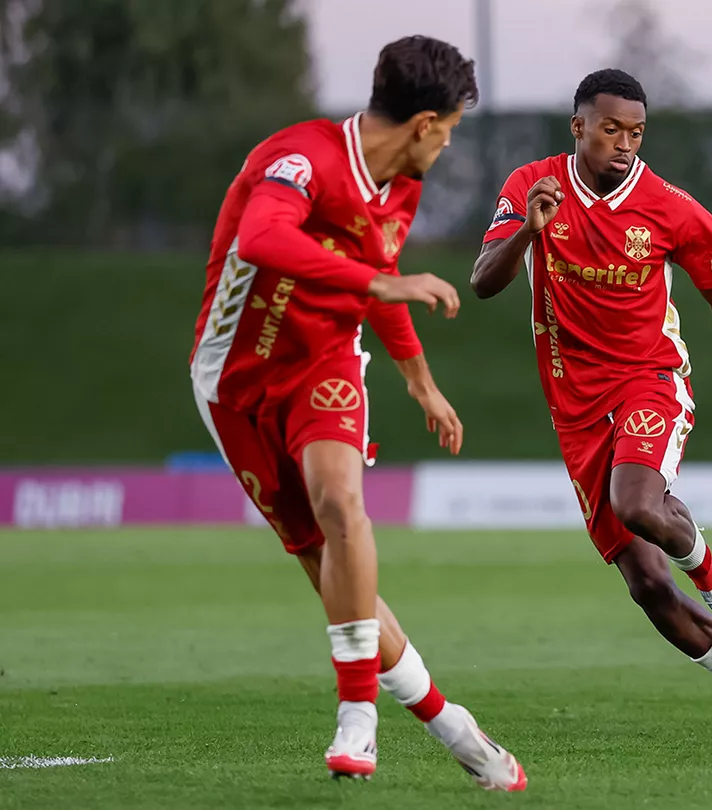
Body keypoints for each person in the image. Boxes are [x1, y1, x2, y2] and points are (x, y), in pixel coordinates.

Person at [188, 36, 525, 788]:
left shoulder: (402, 185)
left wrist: (420, 381)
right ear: (425, 123)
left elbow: (383, 273)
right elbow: (263, 237)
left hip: (325, 362)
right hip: (233, 383)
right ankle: (450, 723)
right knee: (324, 561)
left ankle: (357, 715)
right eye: (451, 130)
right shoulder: (300, 158)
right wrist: (376, 285)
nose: (448, 144)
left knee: (342, 505)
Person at [470, 69, 712, 738]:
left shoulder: (674, 210)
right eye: (611, 129)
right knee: (646, 582)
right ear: (579, 126)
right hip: (574, 407)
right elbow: (482, 282)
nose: (624, 143)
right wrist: (529, 230)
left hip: (650, 379)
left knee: (639, 504)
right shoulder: (533, 186)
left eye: (636, 132)